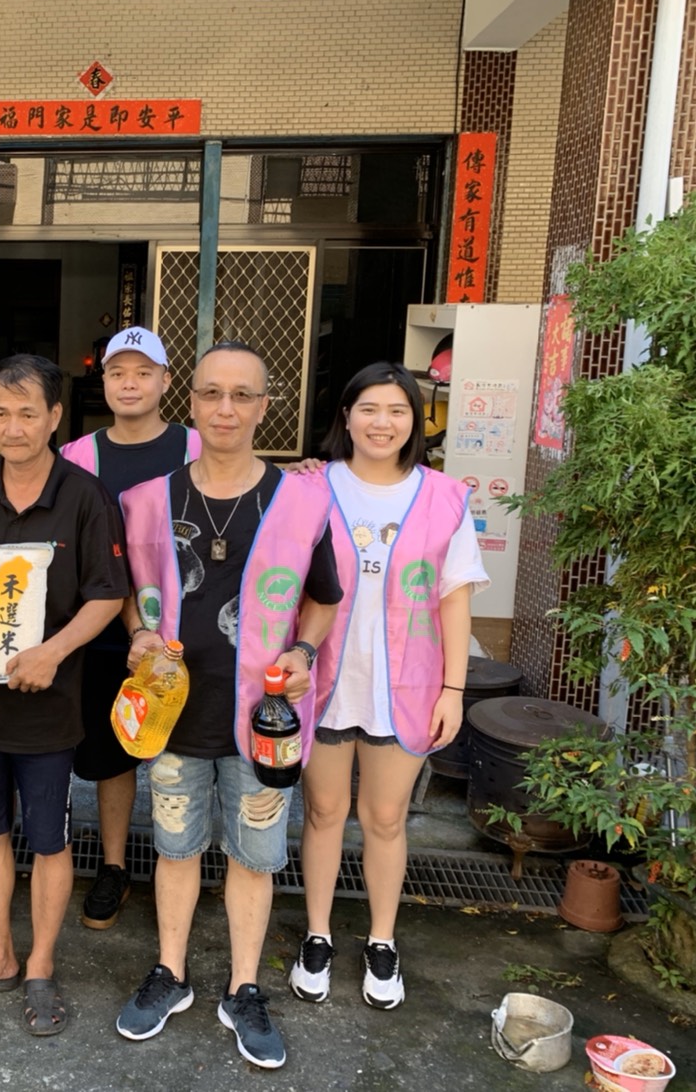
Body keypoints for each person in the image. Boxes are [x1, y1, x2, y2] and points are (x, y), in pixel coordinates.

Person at [114, 341, 342, 1069]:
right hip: (173, 708)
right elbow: (129, 593)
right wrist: (140, 631)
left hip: (263, 716)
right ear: (191, 402)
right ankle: (171, 973)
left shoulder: (302, 502)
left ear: (265, 407)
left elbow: (325, 598)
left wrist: (303, 650)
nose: (226, 408)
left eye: (243, 395)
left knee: (255, 856)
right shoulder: (147, 501)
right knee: (175, 847)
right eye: (212, 393)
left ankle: (244, 988)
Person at [0, 354, 129, 1037]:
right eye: (2, 414)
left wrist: (53, 651)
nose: (13, 428)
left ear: (55, 417)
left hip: (49, 709)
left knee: (48, 840)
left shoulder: (85, 496)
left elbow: (108, 594)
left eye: (28, 414)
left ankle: (39, 964)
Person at [290, 362, 488, 1011]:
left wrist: (453, 690)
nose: (382, 422)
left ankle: (381, 940)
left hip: (407, 685)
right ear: (346, 417)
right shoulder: (310, 488)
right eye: (369, 408)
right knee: (323, 812)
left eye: (397, 410)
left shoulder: (445, 497)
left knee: (385, 817)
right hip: (323, 680)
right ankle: (318, 934)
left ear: (416, 421)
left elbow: (455, 600)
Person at [58, 325, 200, 930]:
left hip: (189, 631)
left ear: (166, 380)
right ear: (104, 382)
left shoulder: (197, 445)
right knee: (115, 750)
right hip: (104, 633)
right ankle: (114, 866)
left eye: (143, 372)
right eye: (118, 372)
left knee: (189, 755)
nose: (130, 383)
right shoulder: (77, 456)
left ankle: (185, 862)